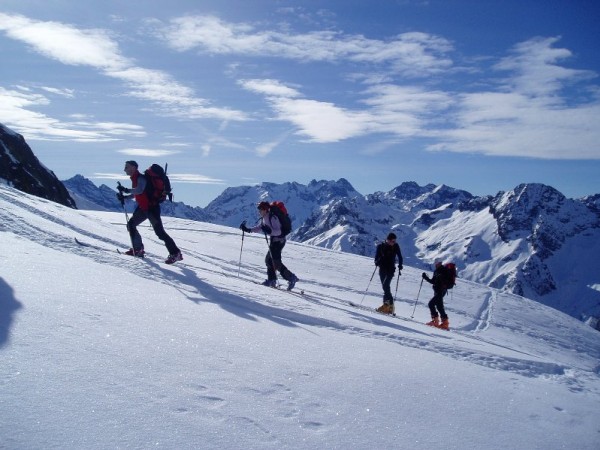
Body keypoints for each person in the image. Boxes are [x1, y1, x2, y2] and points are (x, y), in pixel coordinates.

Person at [117, 160, 183, 264]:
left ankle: (176, 253)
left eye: (127, 167)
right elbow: (138, 193)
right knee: (131, 225)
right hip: (143, 208)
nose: (125, 169)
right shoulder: (136, 178)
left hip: (152, 208)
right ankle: (138, 249)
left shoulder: (140, 178)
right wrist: (125, 197)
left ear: (134, 168)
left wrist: (126, 190)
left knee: (160, 233)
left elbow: (139, 190)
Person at [240, 201, 299, 290]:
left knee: (275, 262)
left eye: (260, 209)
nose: (259, 211)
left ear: (265, 209)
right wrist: (248, 229)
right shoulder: (265, 217)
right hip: (274, 241)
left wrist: (269, 231)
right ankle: (272, 280)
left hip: (279, 241)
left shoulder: (272, 217)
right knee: (269, 261)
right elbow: (260, 227)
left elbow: (278, 231)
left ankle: (291, 278)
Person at [374, 232, 403, 314]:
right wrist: (378, 261)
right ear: (388, 240)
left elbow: (400, 256)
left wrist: (400, 265)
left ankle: (390, 305)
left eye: (395, 241)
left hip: (390, 269)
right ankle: (387, 306)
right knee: (385, 287)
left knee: (386, 285)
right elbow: (376, 259)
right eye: (393, 241)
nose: (394, 243)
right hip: (382, 268)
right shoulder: (381, 247)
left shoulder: (395, 246)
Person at [422, 260, 450, 329]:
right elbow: (433, 281)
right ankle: (445, 324)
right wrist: (425, 277)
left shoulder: (444, 270)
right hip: (437, 291)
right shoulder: (436, 271)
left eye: (437, 263)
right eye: (436, 263)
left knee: (431, 304)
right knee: (439, 306)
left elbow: (445, 281)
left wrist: (441, 278)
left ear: (440, 263)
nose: (436, 264)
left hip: (440, 291)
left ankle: (436, 321)